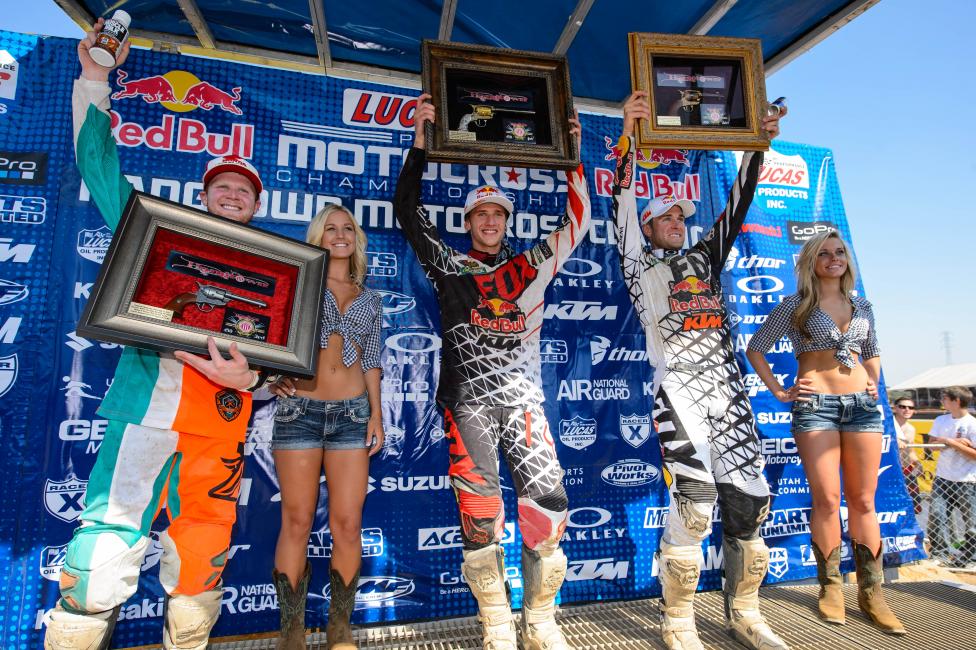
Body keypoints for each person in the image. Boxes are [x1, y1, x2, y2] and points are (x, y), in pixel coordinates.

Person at [45, 20, 270, 650]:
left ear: (255, 207)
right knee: (103, 547)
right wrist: (94, 79)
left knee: (203, 551)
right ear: (203, 197)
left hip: (224, 417)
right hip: (146, 410)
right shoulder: (157, 236)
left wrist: (253, 376)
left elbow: (285, 348)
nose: (232, 196)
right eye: (222, 187)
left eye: (243, 192)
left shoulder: (276, 270)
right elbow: (101, 168)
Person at [393, 94, 590, 650]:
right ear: (468, 221)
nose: (489, 220)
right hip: (469, 403)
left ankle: (541, 622)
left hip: (524, 401)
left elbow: (579, 221)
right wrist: (420, 142)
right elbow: (408, 211)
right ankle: (497, 625)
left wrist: (574, 154)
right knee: (479, 519)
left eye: (498, 213)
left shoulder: (532, 264)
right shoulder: (449, 264)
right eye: (480, 213)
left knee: (548, 510)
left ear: (508, 220)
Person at [611, 91, 787, 650]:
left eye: (679, 217)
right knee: (694, 502)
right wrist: (629, 138)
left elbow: (738, 201)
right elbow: (619, 207)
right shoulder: (640, 268)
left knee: (750, 502)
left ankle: (746, 612)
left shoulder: (705, 258)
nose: (675, 222)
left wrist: (758, 143)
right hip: (679, 394)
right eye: (664, 217)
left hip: (728, 393)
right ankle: (678, 620)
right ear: (648, 226)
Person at [746, 230, 905, 634]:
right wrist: (781, 390)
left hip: (863, 410)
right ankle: (831, 589)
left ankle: (873, 595)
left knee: (864, 501)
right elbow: (756, 347)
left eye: (840, 252)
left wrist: (872, 381)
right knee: (828, 500)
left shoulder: (863, 305)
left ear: (847, 261)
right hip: (815, 409)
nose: (834, 258)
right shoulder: (797, 305)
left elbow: (872, 350)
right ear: (811, 262)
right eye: (825, 253)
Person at [267, 205, 384, 649]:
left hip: (352, 416)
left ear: (356, 237)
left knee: (348, 524)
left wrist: (375, 413)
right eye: (330, 228)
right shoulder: (297, 284)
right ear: (317, 237)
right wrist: (269, 374)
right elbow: (268, 335)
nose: (340, 235)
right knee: (296, 521)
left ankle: (340, 629)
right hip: (301, 413)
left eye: (347, 228)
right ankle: (291, 632)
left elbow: (371, 360)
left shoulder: (369, 297)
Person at [925, 386, 976, 568]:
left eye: (945, 398)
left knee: (971, 522)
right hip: (943, 477)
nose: (942, 401)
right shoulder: (941, 420)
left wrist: (949, 442)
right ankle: (940, 553)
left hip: (968, 480)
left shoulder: (972, 424)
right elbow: (931, 445)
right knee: (938, 516)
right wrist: (953, 442)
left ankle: (971, 558)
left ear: (957, 401)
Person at [892, 397, 922, 514]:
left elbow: (910, 450)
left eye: (910, 407)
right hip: (890, 470)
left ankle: (910, 531)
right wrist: (894, 440)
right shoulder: (887, 425)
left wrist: (917, 463)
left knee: (913, 507)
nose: (907, 410)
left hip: (906, 469)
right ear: (895, 408)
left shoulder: (911, 428)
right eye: (903, 407)